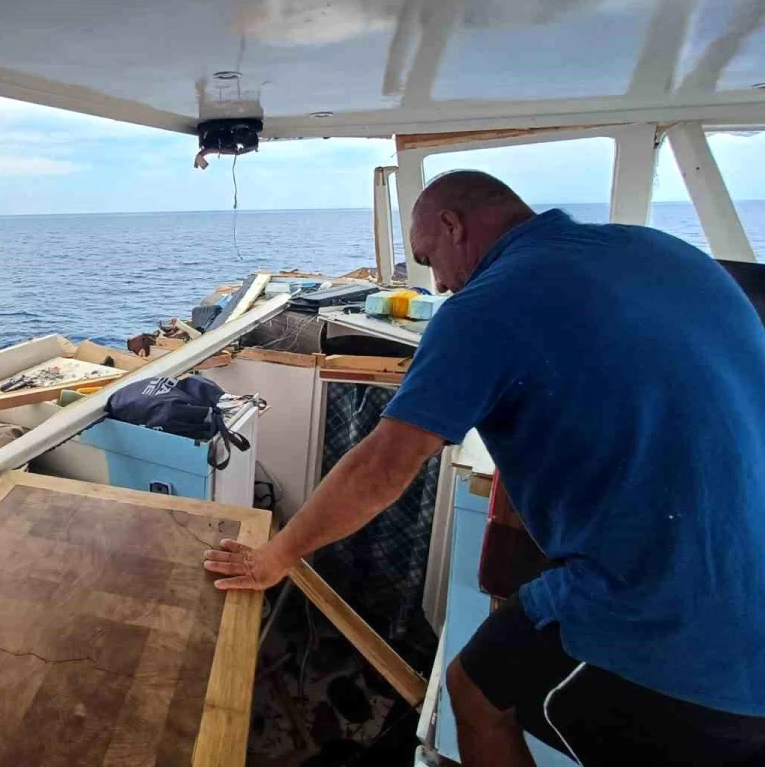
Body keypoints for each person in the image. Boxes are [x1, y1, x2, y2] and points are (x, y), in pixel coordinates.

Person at [203, 170, 765, 765]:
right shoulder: (662, 250)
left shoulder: (487, 306)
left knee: (473, 693)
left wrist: (278, 555)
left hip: (688, 629)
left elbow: (380, 469)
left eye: (428, 259)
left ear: (453, 225)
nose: (439, 284)